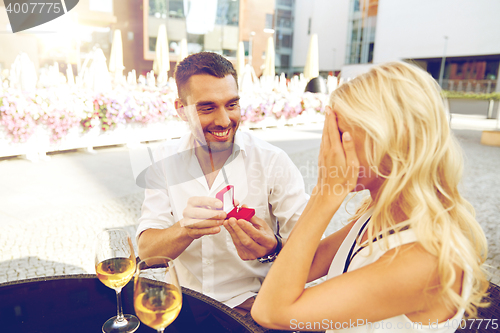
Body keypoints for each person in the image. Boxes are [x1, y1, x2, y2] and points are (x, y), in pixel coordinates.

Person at [252, 62, 489, 332]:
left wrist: (325, 194)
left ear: (390, 139)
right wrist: (272, 248)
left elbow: (271, 311)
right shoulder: (381, 214)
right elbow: (309, 263)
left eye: (340, 135)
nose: (329, 149)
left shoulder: (422, 259)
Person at [136, 52, 308, 313]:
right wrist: (186, 229)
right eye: (207, 108)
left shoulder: (273, 161)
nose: (224, 121)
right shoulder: (163, 160)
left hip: (251, 305)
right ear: (181, 110)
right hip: (184, 304)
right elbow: (147, 251)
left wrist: (273, 247)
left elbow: (311, 247)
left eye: (232, 104)